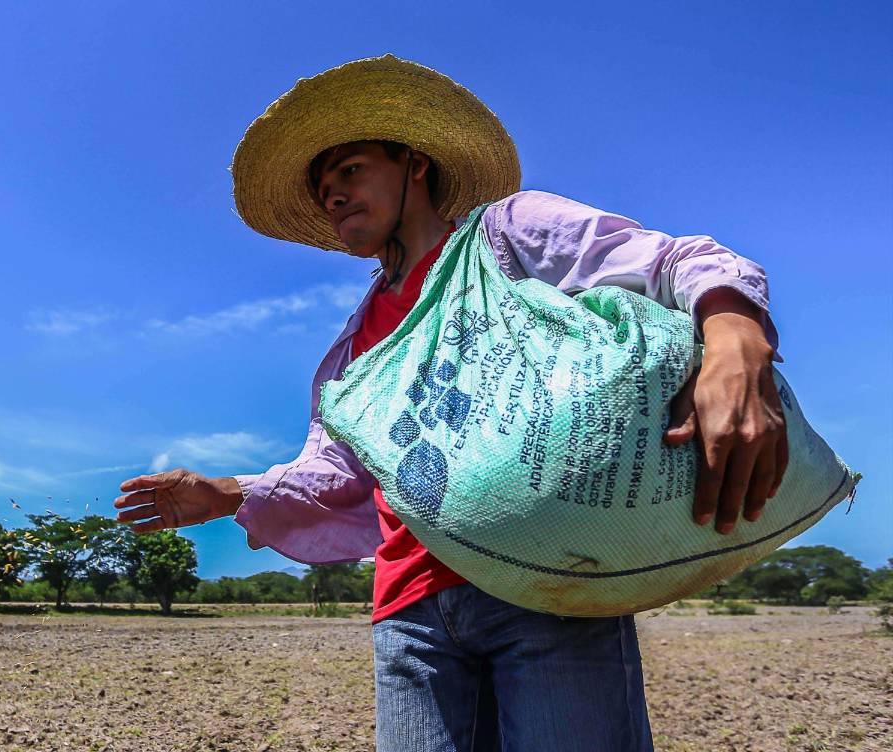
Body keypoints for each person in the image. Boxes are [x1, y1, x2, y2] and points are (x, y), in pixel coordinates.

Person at [115, 55, 786, 751]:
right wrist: (225, 492)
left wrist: (736, 341)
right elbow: (340, 473)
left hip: (545, 579)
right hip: (409, 614)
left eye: (350, 170)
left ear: (415, 163)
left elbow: (675, 260)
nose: (334, 194)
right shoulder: (351, 353)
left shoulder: (505, 237)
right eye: (324, 188)